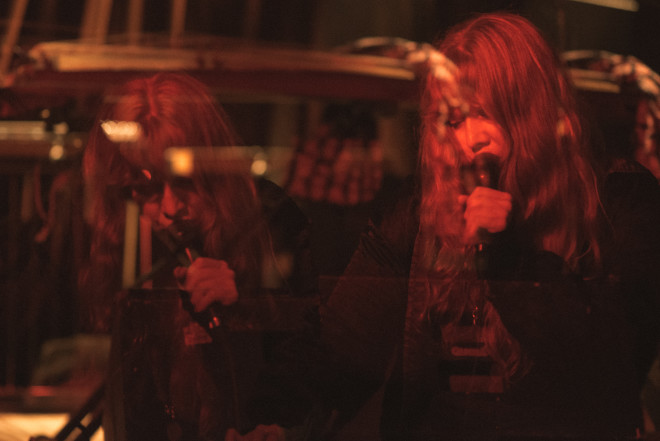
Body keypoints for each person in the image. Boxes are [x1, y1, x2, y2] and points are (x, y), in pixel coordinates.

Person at [230, 12, 660, 441]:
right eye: (453, 121)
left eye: (486, 113)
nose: (470, 138)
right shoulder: (422, 210)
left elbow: (611, 365)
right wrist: (274, 419)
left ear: (531, 112)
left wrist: (506, 254)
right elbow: (344, 342)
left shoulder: (618, 200)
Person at [80, 72, 316, 440]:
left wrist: (242, 312)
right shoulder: (130, 237)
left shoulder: (267, 222)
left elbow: (311, 363)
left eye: (185, 181)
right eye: (147, 188)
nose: (171, 207)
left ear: (213, 168)